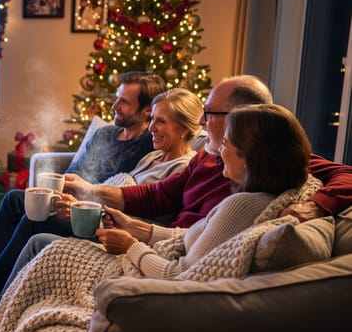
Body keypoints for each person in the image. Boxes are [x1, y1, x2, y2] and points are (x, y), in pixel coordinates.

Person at [0, 103, 322, 332]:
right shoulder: (258, 198)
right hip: (151, 251)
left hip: (146, 271)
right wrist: (135, 227)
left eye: (228, 142)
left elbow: (179, 276)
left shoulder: (240, 206)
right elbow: (189, 237)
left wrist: (132, 245)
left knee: (52, 254)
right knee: (47, 246)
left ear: (252, 156)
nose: (220, 148)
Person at [0, 86, 200, 311]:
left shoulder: (182, 167)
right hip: (103, 211)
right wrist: (82, 195)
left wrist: (84, 207)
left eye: (161, 121)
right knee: (15, 200)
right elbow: (122, 188)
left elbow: (148, 217)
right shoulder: (153, 156)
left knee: (35, 220)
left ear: (183, 127)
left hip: (114, 228)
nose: (151, 127)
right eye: (153, 119)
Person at [66, 75, 352, 229]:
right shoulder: (207, 154)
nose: (201, 122)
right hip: (157, 243)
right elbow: (157, 195)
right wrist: (88, 190)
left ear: (242, 117)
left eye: (209, 113)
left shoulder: (272, 157)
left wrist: (316, 205)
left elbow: (347, 175)